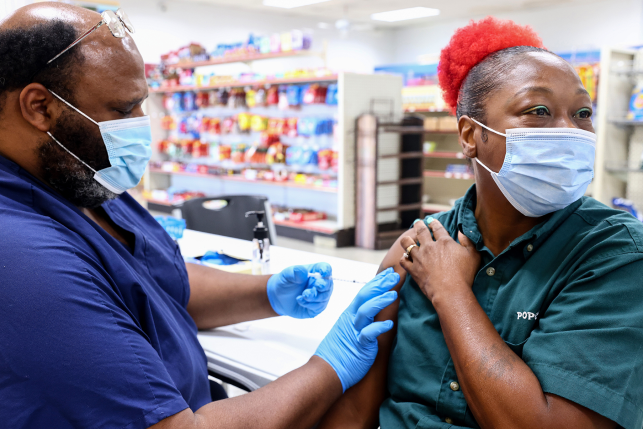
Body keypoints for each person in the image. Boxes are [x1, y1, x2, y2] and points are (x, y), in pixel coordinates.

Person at [0, 3, 401, 428]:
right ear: (40, 107)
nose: (142, 126)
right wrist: (329, 367)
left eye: (142, 105)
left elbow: (162, 282)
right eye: (122, 110)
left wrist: (267, 293)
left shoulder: (81, 177)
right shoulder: (22, 257)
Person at [318, 17, 643, 429]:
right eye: (538, 111)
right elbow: (354, 412)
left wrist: (450, 291)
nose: (570, 132)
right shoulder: (416, 246)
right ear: (471, 134)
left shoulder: (615, 255)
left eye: (582, 112)